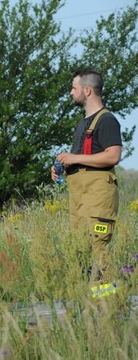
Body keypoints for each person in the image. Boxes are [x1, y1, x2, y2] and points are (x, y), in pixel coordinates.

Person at [52, 69, 122, 282]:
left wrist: (74, 158)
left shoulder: (107, 120)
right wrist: (62, 167)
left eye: (74, 88)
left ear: (87, 90)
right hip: (80, 198)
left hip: (98, 198)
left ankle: (110, 305)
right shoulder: (83, 123)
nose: (71, 93)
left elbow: (113, 156)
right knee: (79, 249)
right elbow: (84, 159)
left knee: (98, 247)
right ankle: (89, 306)